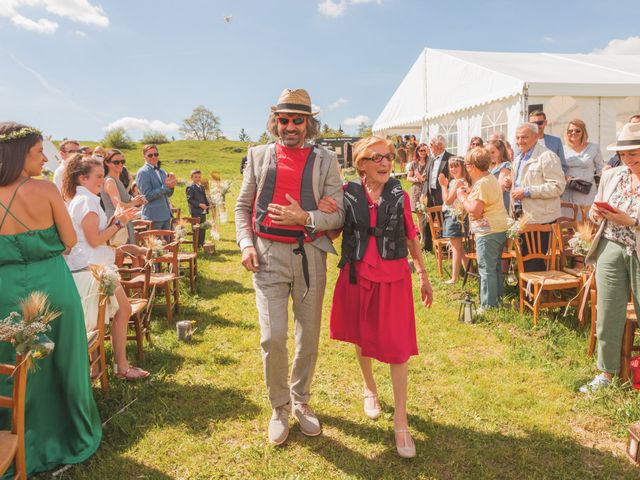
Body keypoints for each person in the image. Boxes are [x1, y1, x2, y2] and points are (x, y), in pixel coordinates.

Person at [235, 88, 345, 445]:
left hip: (309, 254)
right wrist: (245, 243)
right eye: (284, 119)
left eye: (298, 119)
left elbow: (339, 213)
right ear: (275, 121)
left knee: (308, 337)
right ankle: (279, 406)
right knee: (272, 336)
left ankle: (301, 401)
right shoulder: (257, 155)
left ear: (309, 123)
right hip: (267, 255)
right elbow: (242, 207)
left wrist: (306, 217)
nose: (290, 126)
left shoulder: (326, 160)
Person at [0, 122, 102, 476]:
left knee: (13, 364)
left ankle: (14, 438)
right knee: (62, 358)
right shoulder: (44, 190)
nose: (45, 158)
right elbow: (70, 239)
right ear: (17, 155)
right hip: (51, 285)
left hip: (6, 291)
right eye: (37, 152)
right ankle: (68, 433)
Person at [329, 136, 432, 458]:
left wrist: (423, 275)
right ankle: (369, 388)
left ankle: (400, 420)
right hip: (357, 274)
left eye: (388, 157)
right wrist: (318, 214)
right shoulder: (348, 193)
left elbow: (412, 236)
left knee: (398, 347)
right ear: (361, 164)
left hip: (393, 277)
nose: (385, 162)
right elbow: (333, 231)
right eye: (377, 158)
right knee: (362, 335)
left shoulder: (400, 194)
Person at [63, 155, 150, 380]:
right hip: (93, 270)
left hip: (93, 268)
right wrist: (119, 223)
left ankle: (104, 367)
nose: (103, 180)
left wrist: (117, 219)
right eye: (99, 176)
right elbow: (94, 239)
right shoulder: (86, 201)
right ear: (83, 178)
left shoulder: (85, 199)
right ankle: (119, 367)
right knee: (118, 312)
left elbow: (95, 236)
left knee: (107, 317)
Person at [580, 122, 640, 393]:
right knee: (607, 312)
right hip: (610, 247)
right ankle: (605, 373)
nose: (628, 160)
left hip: (636, 247)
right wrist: (595, 213)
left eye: (634, 154)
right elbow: (597, 205)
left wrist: (632, 221)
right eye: (624, 154)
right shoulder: (612, 175)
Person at [457, 147, 509, 309]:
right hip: (499, 228)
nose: (466, 168)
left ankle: (488, 306)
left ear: (472, 166)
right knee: (494, 267)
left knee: (486, 268)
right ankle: (497, 301)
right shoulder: (490, 178)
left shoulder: (482, 184)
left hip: (488, 231)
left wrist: (463, 198)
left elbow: (475, 211)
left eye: (467, 165)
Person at [511, 122, 566, 271]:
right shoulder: (518, 159)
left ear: (536, 137)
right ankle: (528, 292)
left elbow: (558, 186)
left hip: (540, 217)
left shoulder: (547, 156)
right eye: (517, 137)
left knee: (534, 259)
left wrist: (528, 191)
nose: (520, 141)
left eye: (524, 137)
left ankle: (536, 293)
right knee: (523, 256)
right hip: (521, 214)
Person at [100, 148, 146, 244]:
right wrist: (134, 203)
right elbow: (118, 205)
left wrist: (137, 200)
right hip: (116, 220)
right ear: (107, 163)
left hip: (123, 219)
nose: (120, 164)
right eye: (116, 162)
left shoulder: (117, 180)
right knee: (121, 253)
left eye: (122, 161)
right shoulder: (110, 181)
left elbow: (126, 199)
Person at [561, 119, 603, 219]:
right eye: (570, 131)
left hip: (586, 190)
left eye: (577, 130)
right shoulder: (562, 149)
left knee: (587, 221)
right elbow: (558, 169)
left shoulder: (594, 147)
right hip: (568, 190)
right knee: (568, 221)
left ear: (583, 132)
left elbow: (600, 169)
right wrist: (563, 176)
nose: (573, 133)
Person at [438, 156, 471, 284]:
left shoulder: (458, 182)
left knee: (456, 247)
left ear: (463, 167)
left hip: (455, 215)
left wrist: (443, 186)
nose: (453, 169)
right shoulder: (455, 181)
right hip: (451, 214)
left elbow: (448, 200)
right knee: (459, 248)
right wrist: (446, 185)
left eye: (456, 166)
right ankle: (470, 273)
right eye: (451, 166)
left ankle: (454, 277)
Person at [421, 135, 452, 252]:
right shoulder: (431, 159)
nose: (429, 147)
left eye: (431, 144)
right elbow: (427, 178)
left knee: (444, 220)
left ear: (439, 145)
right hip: (430, 194)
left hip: (443, 194)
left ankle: (445, 248)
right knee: (427, 220)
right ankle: (427, 247)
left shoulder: (450, 158)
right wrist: (424, 193)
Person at [136, 144, 176, 230]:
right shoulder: (142, 172)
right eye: (150, 155)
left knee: (169, 243)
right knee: (155, 244)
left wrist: (171, 187)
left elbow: (168, 194)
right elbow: (147, 196)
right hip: (153, 217)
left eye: (156, 154)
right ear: (144, 157)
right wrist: (165, 186)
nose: (154, 157)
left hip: (166, 215)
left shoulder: (162, 171)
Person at [406, 142, 429, 229]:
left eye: (424, 150)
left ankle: (430, 235)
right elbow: (408, 178)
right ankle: (422, 237)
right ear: (417, 151)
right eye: (421, 150)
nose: (423, 152)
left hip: (427, 190)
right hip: (417, 190)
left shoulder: (430, 161)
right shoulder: (414, 163)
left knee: (428, 214)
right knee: (419, 215)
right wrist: (416, 179)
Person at [186, 169, 210, 247]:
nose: (198, 178)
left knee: (203, 228)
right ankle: (196, 245)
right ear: (191, 178)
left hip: (203, 210)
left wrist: (207, 205)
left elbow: (204, 197)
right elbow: (190, 199)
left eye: (199, 177)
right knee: (196, 229)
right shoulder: (190, 187)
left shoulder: (201, 187)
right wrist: (199, 205)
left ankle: (201, 243)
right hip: (196, 211)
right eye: (195, 177)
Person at [486, 139, 512, 210]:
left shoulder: (505, 165)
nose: (490, 155)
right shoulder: (491, 168)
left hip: (500, 204)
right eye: (488, 153)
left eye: (493, 152)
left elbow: (500, 188)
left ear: (501, 151)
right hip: (492, 202)